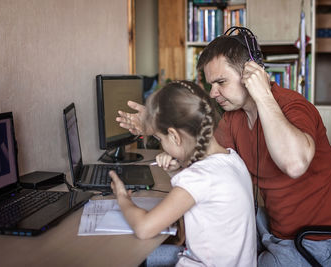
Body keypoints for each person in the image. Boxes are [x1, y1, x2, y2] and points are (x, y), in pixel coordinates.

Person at [116, 29, 331, 266]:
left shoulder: (293, 106)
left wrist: (263, 95)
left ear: (250, 73)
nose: (214, 94)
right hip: (274, 230)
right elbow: (201, 152)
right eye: (211, 85)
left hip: (321, 241)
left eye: (221, 82)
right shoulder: (235, 117)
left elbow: (295, 164)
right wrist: (157, 125)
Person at [110, 80, 257, 266]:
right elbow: (204, 200)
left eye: (159, 138)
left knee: (122, 255)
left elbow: (144, 228)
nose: (161, 143)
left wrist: (123, 198)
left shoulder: (199, 178)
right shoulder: (233, 159)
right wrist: (177, 171)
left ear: (174, 136)